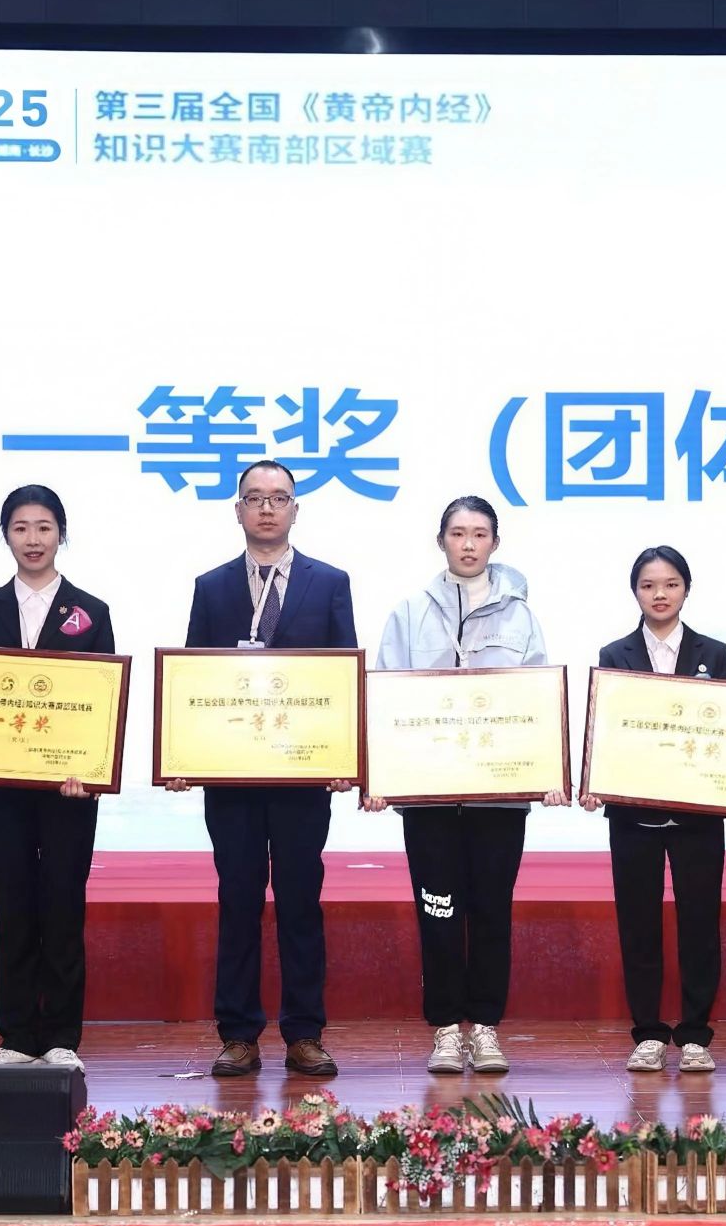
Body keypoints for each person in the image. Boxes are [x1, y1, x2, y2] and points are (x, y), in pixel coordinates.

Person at [364, 496, 568, 1075]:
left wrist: (546, 773)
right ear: (442, 541)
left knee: (492, 912)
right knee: (438, 911)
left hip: (498, 799)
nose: (469, 544)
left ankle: (486, 1026)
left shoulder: (521, 617)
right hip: (429, 798)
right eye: (458, 533)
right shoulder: (408, 612)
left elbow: (536, 703)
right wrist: (380, 776)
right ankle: (446, 1029)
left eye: (480, 533)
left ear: (495, 543)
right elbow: (386, 697)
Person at [171, 459, 357, 1079]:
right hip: (233, 780)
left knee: (302, 901)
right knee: (238, 900)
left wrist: (345, 757)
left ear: (295, 509)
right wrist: (182, 755)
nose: (268, 508)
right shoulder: (212, 586)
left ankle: (305, 1033)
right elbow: (193, 680)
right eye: (255, 498)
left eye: (279, 498)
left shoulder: (330, 583)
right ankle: (238, 1035)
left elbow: (343, 678)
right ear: (239, 510)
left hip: (303, 776)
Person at [0, 484, 116, 1069]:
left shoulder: (92, 611)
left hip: (69, 790)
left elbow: (100, 705)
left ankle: (61, 1037)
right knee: (12, 908)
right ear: (5, 536)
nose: (33, 539)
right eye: (21, 528)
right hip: (0, 790)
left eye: (44, 527)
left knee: (62, 906)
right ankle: (15, 1037)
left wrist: (91, 771)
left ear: (62, 533)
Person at [578, 546, 726, 1074]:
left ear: (686, 589)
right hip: (633, 817)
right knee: (639, 924)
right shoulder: (615, 652)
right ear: (635, 592)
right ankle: (647, 1032)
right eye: (648, 585)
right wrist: (595, 780)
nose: (660, 594)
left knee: (699, 924)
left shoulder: (714, 652)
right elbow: (604, 728)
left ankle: (695, 1034)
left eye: (670, 584)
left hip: (698, 818)